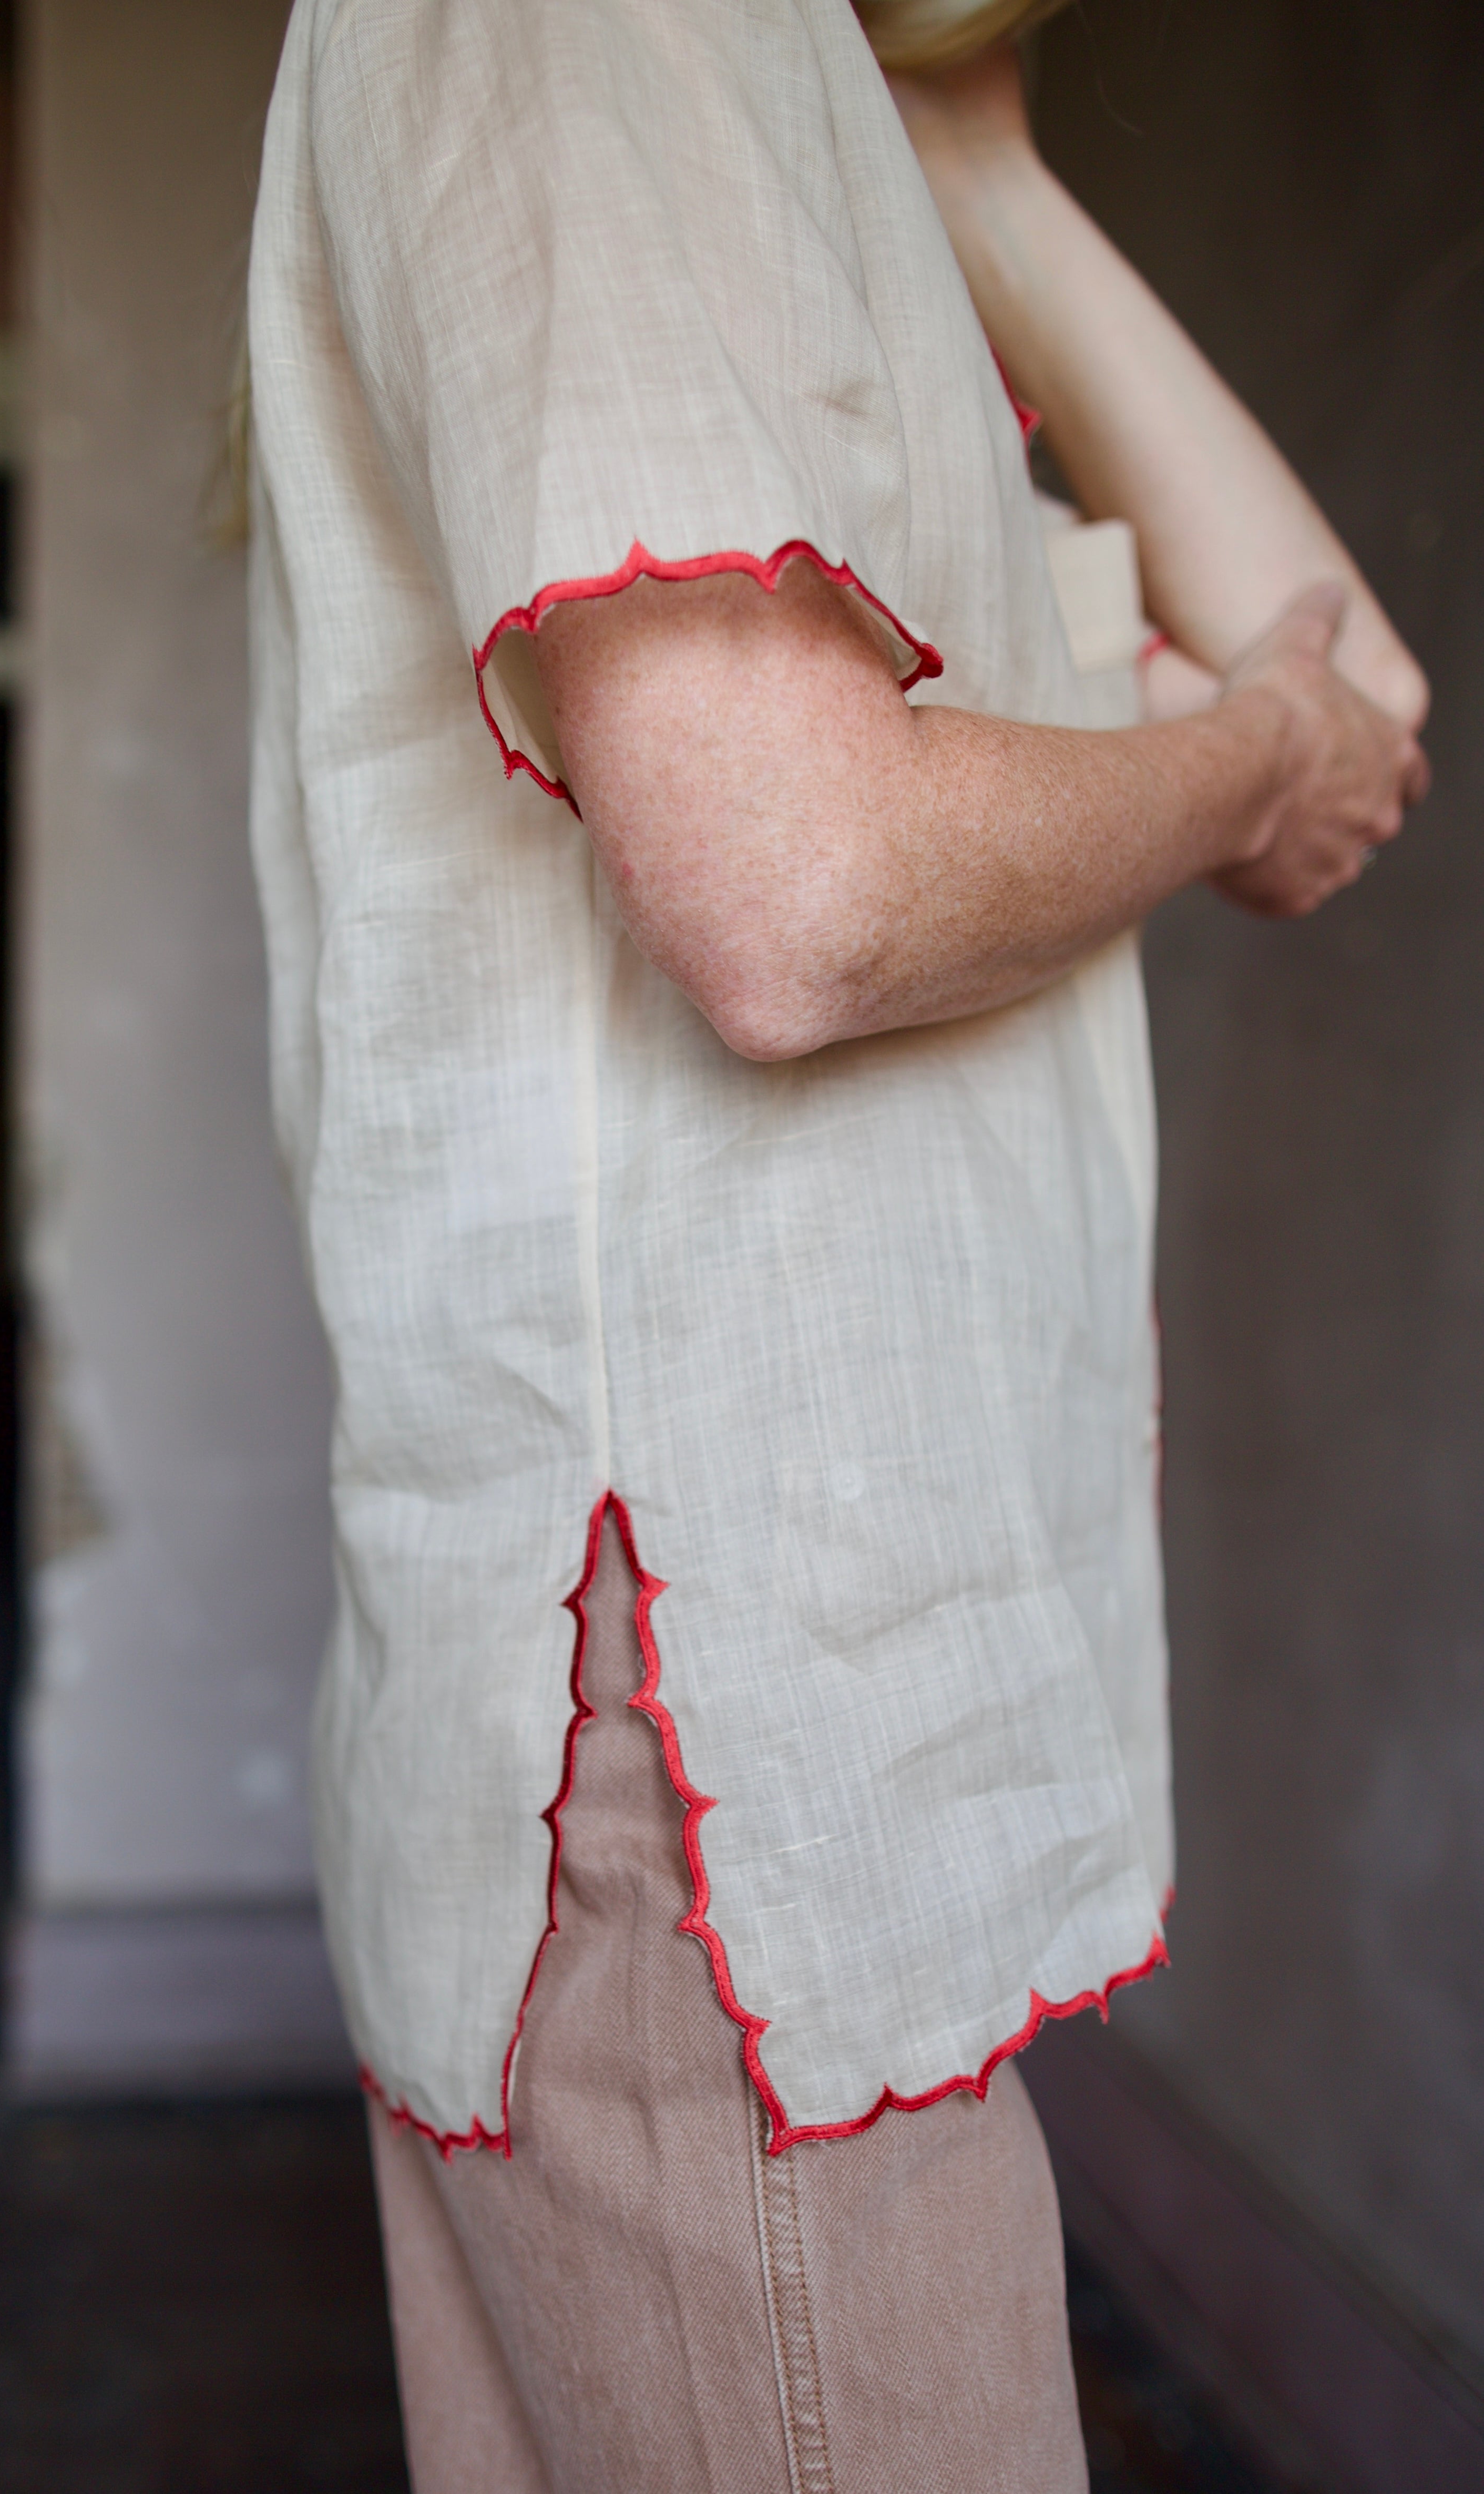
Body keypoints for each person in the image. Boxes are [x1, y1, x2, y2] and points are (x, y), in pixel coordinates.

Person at [245, 1, 1427, 2483]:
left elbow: (1363, 710)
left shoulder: (790, 121)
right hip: (712, 1728)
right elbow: (798, 887)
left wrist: (979, 163)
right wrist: (1231, 766)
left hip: (745, 1728)